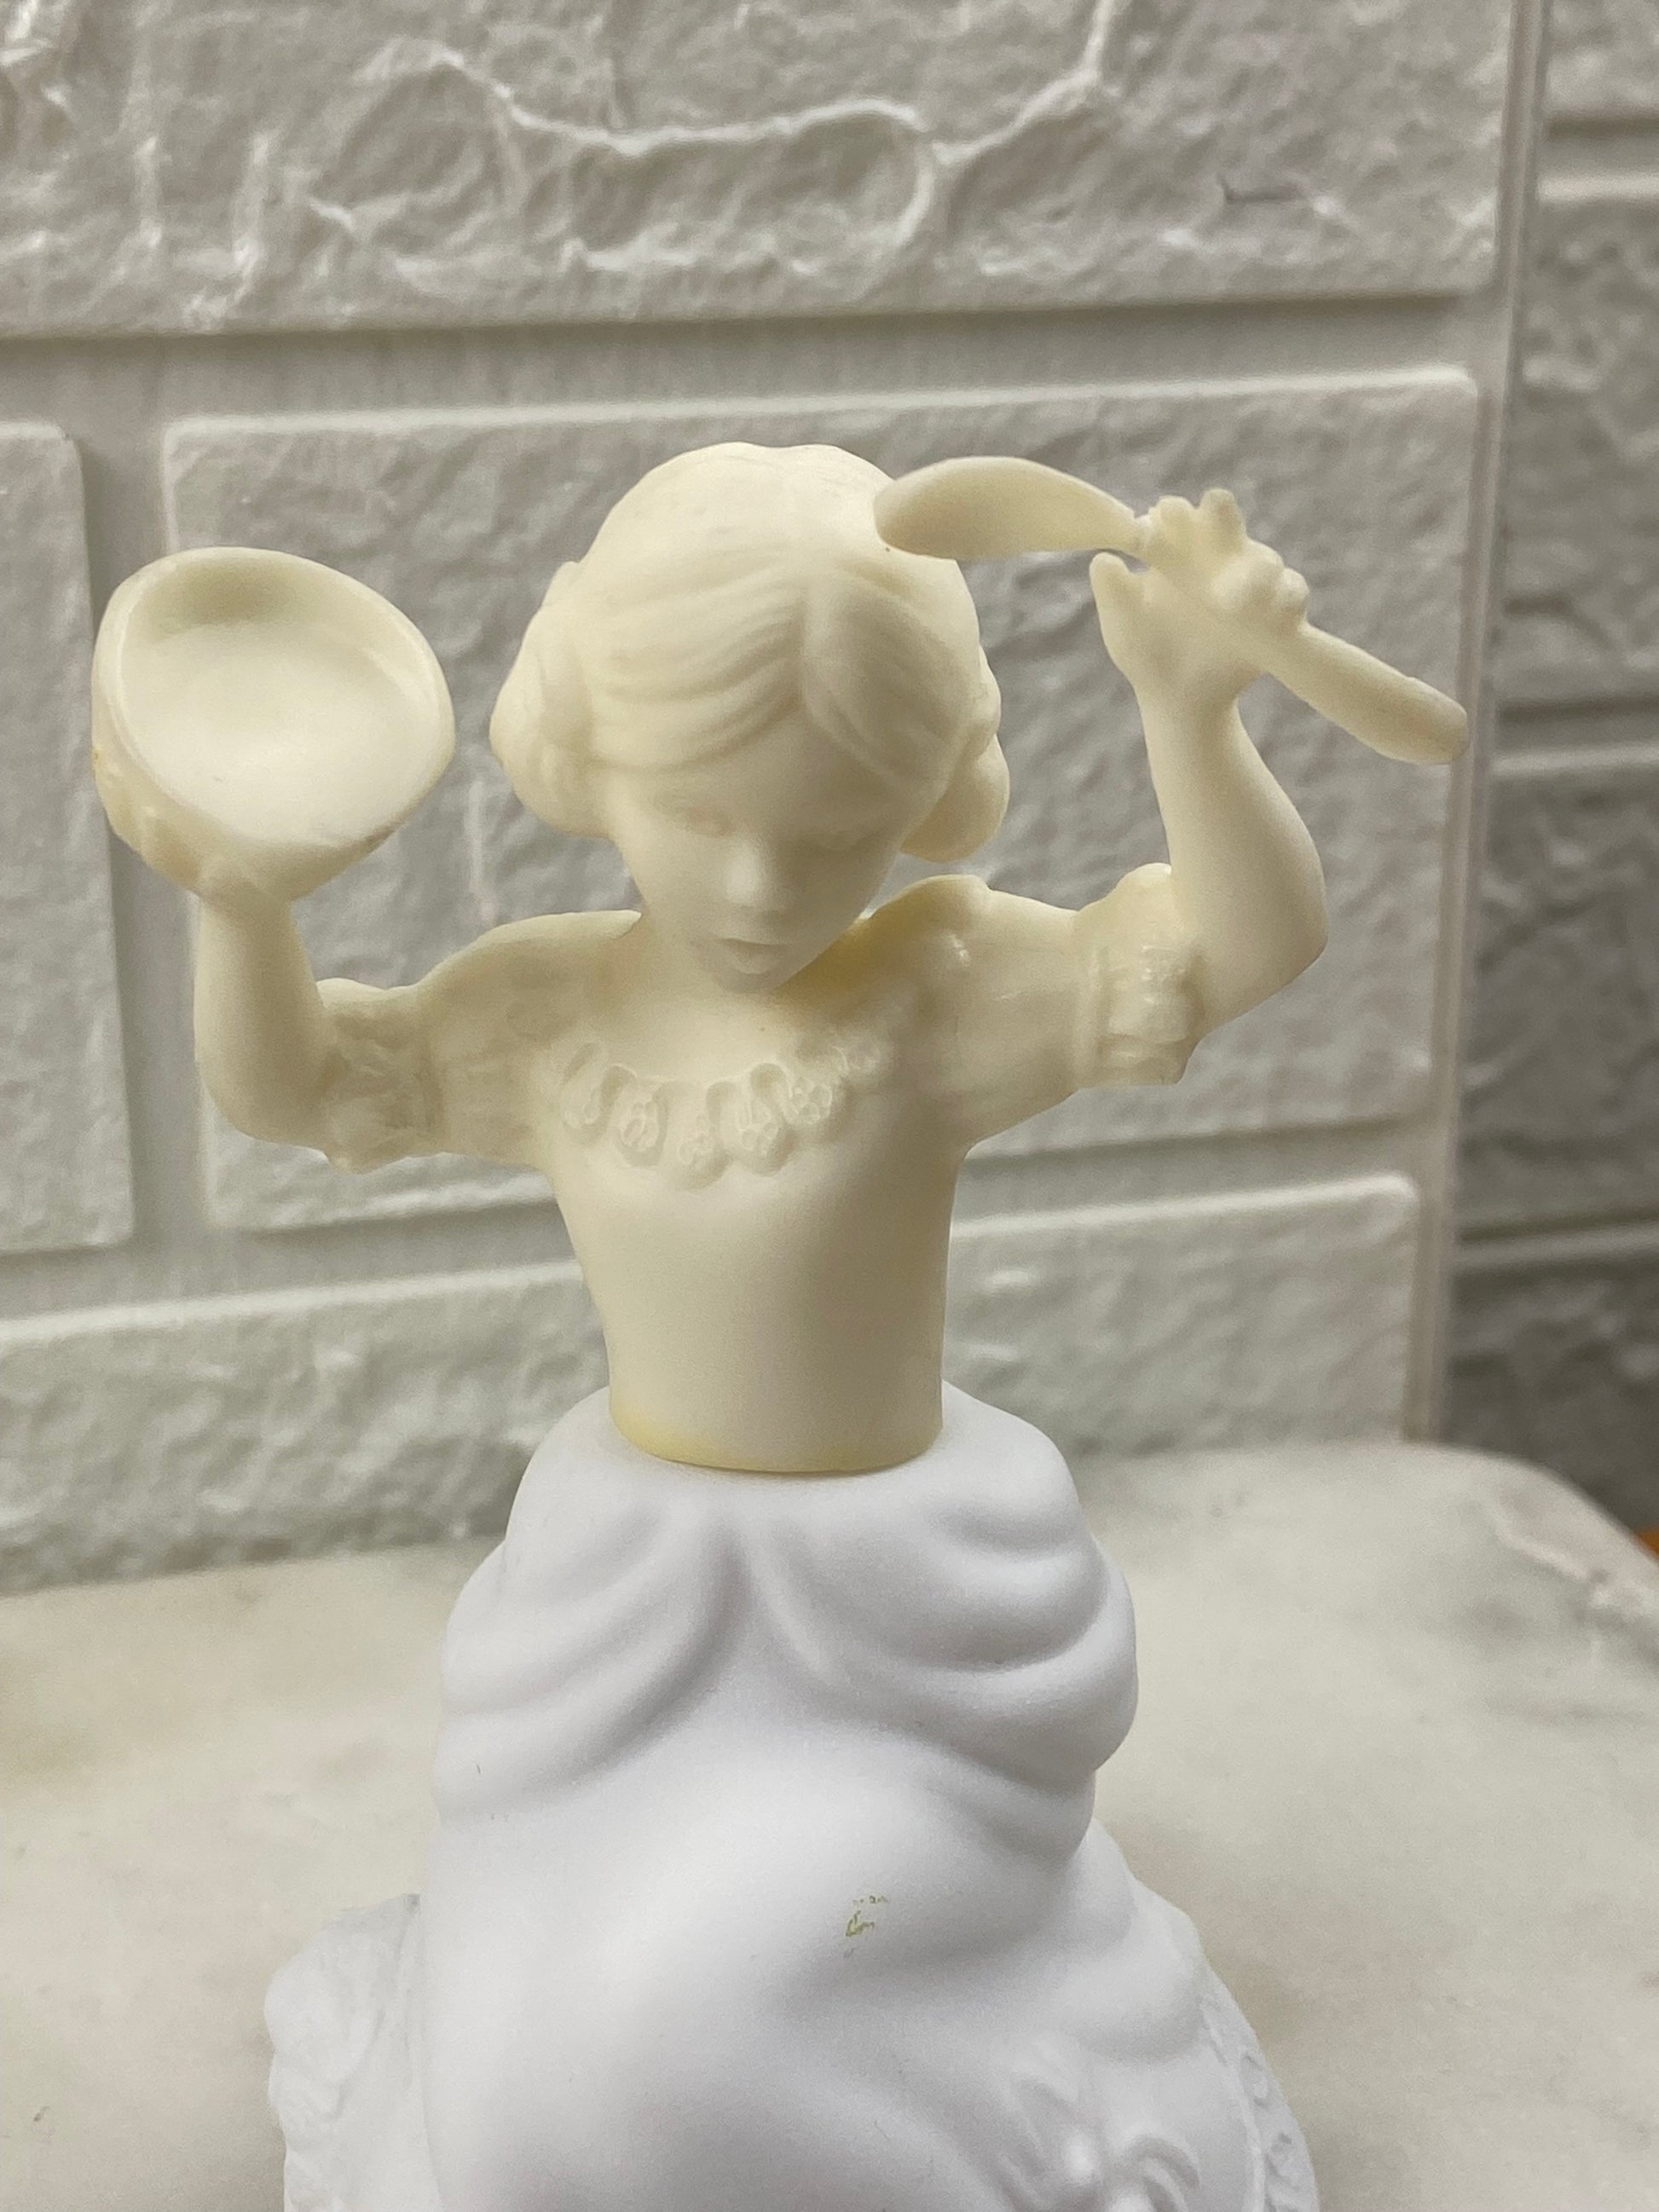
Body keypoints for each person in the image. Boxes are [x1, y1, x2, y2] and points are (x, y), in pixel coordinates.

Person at [110, 441, 1327, 2211]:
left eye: (829, 832)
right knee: (509, 2104)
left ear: (916, 803)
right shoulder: (547, 1012)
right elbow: (295, 1083)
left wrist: (1194, 720)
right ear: (592, 758)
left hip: (902, 1637)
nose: (761, 885)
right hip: (616, 1618)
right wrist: (243, 901)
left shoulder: (934, 996)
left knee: (689, 2042)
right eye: (701, 815)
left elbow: (1243, 944)